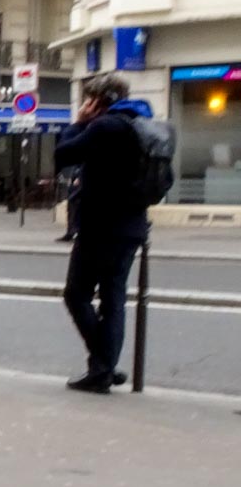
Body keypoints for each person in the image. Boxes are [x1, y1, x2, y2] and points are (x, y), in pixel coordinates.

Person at [54, 73, 151, 394]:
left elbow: (63, 154)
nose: (85, 105)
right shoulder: (141, 124)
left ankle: (103, 368)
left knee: (76, 295)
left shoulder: (104, 127)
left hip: (100, 228)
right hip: (133, 226)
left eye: (88, 99)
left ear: (99, 101)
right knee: (113, 300)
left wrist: (79, 122)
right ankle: (104, 367)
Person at [55, 164, 82, 242]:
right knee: (71, 212)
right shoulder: (76, 166)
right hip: (73, 191)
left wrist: (80, 178)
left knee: (77, 213)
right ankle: (70, 232)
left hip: (79, 192)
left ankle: (75, 232)